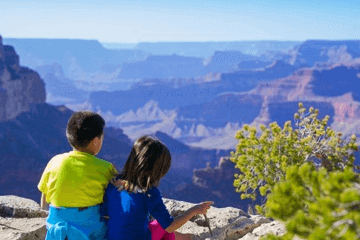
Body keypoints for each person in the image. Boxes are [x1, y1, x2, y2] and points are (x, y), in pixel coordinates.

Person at [102, 135, 213, 240]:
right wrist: (194, 210)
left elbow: (105, 213)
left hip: (112, 237)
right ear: (156, 169)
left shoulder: (114, 183)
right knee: (161, 226)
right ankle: (188, 238)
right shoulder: (148, 192)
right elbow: (169, 226)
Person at [37, 111, 117, 240]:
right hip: (89, 230)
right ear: (96, 141)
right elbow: (116, 198)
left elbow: (44, 198)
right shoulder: (106, 168)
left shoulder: (55, 161)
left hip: (56, 229)